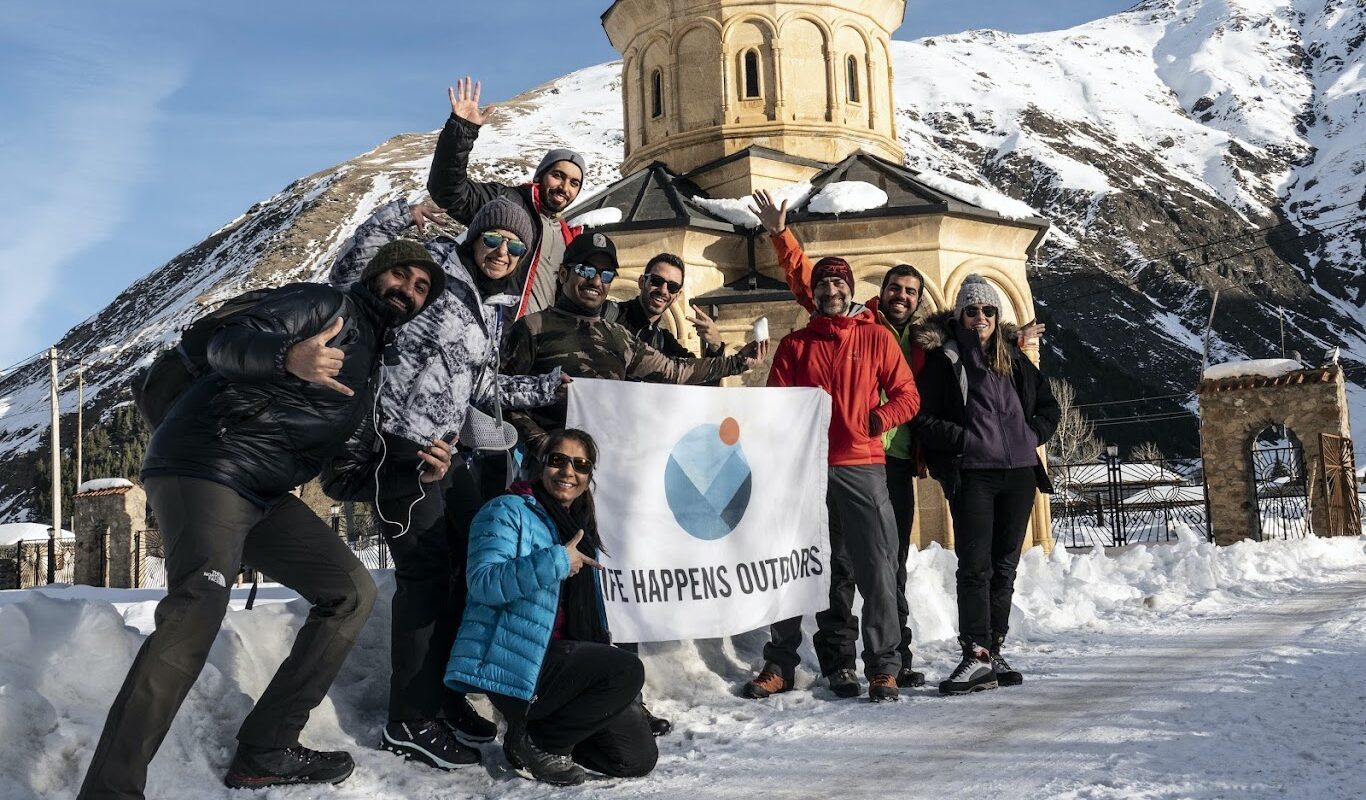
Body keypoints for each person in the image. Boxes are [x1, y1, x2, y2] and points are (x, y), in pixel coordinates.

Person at [78, 242, 443, 798]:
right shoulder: (324, 304)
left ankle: (267, 750)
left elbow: (341, 479)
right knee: (195, 614)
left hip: (265, 490)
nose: (408, 290)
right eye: (401, 273)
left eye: (421, 288)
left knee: (350, 592)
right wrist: (287, 357)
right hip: (209, 463)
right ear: (375, 273)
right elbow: (228, 344)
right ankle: (110, 791)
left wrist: (415, 469)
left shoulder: (370, 371)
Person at [321, 196, 566, 770]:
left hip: (445, 454)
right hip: (395, 448)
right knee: (426, 577)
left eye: (515, 246)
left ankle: (446, 696)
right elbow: (351, 275)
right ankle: (409, 719)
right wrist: (395, 218)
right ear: (475, 239)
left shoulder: (487, 306)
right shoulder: (430, 271)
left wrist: (551, 387)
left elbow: (485, 389)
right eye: (494, 240)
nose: (503, 252)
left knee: (464, 567)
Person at [751, 189, 932, 688]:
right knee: (803, 566)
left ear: (849, 290)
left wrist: (878, 420)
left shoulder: (874, 337)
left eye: (839, 282)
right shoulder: (796, 344)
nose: (831, 289)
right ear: (816, 291)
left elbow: (908, 395)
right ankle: (796, 664)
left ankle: (884, 667)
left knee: (877, 569)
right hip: (807, 471)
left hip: (863, 464)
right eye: (825, 281)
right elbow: (776, 406)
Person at [445, 429, 658, 786]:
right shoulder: (505, 509)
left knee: (634, 759)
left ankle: (547, 732)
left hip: (565, 663)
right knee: (626, 670)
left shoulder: (578, 521)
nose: (568, 472)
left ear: (589, 476)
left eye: (581, 464)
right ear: (541, 465)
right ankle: (536, 742)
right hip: (516, 661)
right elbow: (483, 583)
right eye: (558, 460)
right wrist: (557, 560)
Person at [912, 275, 1060, 694]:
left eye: (988, 310)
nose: (981, 317)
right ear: (959, 314)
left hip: (1018, 474)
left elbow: (1049, 406)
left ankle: (992, 650)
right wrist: (967, 441)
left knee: (1004, 566)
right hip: (973, 474)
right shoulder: (945, 361)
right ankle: (974, 653)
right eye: (972, 310)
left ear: (998, 317)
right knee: (974, 567)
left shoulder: (1014, 359)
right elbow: (923, 419)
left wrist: (1031, 436)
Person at [501, 231, 768, 461]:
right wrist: (543, 446)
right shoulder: (532, 328)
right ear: (563, 273)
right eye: (586, 270)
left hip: (605, 466)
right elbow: (498, 396)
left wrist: (736, 361)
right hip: (544, 473)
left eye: (605, 275)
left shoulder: (619, 337)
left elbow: (676, 371)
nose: (596, 281)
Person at [427, 76, 586, 316]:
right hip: (498, 332)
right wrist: (462, 130)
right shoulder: (507, 202)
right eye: (558, 175)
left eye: (574, 183)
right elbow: (448, 190)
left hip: (538, 344)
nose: (564, 187)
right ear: (540, 175)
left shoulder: (567, 234)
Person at [602, 252, 726, 358]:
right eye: (656, 281)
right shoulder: (605, 313)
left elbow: (698, 381)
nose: (663, 291)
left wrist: (716, 345)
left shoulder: (664, 342)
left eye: (672, 287)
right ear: (642, 282)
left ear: (677, 296)